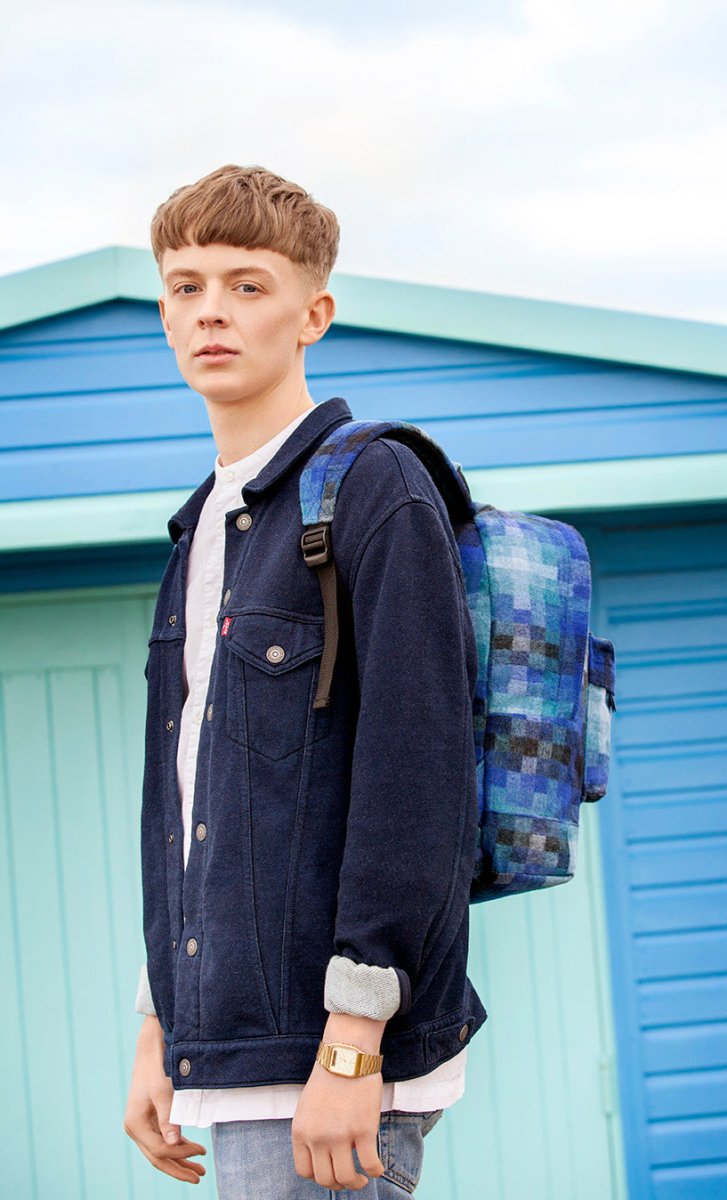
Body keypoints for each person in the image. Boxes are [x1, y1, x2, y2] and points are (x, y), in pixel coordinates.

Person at [123, 164, 487, 1198]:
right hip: (230, 1045)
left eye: (247, 285)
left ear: (312, 314)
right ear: (164, 313)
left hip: (326, 1058)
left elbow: (417, 780)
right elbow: (192, 804)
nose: (212, 311)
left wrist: (353, 1045)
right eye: (187, 286)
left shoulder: (373, 485)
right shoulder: (202, 527)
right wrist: (159, 1024)